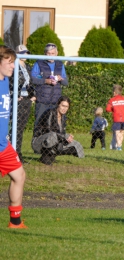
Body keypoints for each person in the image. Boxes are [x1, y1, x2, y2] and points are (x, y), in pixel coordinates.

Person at [0, 45, 27, 228]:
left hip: (3, 144)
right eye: (9, 62)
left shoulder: (4, 82)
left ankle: (15, 222)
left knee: (19, 175)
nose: (12, 66)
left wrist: (6, 136)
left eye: (13, 62)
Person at [31, 96, 84, 165]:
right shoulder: (50, 112)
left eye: (66, 107)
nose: (64, 108)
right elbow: (48, 130)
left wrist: (67, 137)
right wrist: (64, 136)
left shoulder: (64, 117)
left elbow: (61, 133)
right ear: (58, 104)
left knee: (76, 144)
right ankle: (45, 157)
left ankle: (51, 155)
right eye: (63, 106)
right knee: (53, 135)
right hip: (39, 141)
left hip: (54, 140)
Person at [9, 45, 36, 163]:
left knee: (21, 127)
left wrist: (32, 96)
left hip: (26, 100)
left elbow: (29, 83)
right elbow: (11, 82)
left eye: (26, 53)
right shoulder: (14, 66)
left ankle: (18, 153)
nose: (25, 55)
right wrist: (14, 95)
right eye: (23, 53)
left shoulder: (27, 67)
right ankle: (13, 154)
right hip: (17, 100)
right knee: (15, 128)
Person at [31, 43, 68, 125]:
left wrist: (61, 79)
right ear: (45, 53)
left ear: (57, 53)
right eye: (48, 53)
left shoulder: (60, 64)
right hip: (42, 101)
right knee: (39, 125)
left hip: (56, 102)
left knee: (54, 126)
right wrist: (45, 81)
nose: (50, 56)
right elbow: (33, 79)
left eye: (53, 53)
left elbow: (66, 82)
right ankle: (37, 138)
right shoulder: (39, 63)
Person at [106, 84, 124, 151]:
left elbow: (108, 109)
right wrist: (123, 109)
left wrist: (113, 110)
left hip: (117, 118)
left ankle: (118, 146)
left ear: (115, 92)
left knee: (117, 132)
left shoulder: (112, 100)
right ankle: (120, 145)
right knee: (122, 132)